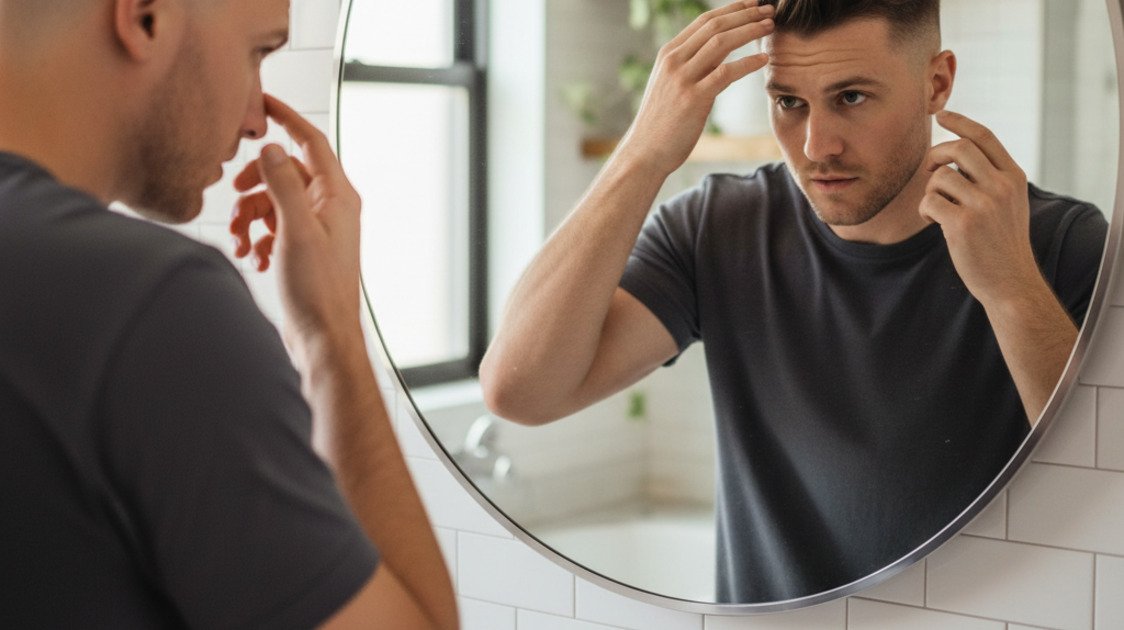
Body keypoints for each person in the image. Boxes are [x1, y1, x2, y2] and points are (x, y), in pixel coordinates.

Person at [479, 0, 1107, 603]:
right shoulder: (717, 227)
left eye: (851, 97)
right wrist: (645, 150)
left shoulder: (1061, 243)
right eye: (788, 102)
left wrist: (1011, 289)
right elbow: (520, 389)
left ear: (936, 83)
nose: (816, 145)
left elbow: (1108, 502)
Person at [0, 0, 457, 627]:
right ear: (145, 18)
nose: (256, 122)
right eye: (258, 52)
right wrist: (331, 336)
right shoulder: (151, 307)